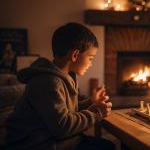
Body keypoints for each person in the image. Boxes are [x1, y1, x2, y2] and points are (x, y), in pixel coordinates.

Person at [6, 22, 115, 150]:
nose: (90, 64)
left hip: (54, 139)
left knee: (107, 145)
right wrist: (96, 112)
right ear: (75, 55)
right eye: (90, 58)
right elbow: (62, 126)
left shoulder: (63, 77)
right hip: (40, 144)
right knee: (107, 147)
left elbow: (66, 112)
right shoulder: (48, 82)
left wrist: (91, 102)